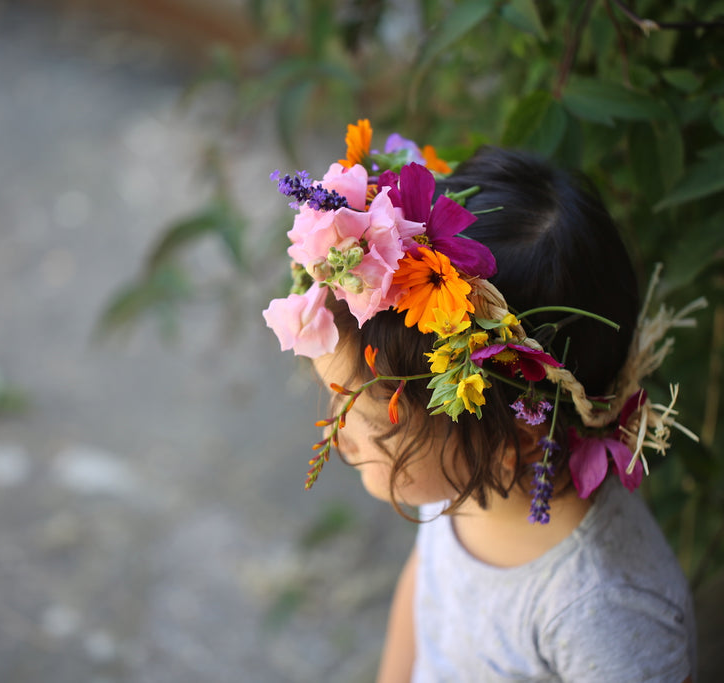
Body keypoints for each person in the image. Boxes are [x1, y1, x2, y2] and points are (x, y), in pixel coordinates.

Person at [263, 120, 701, 682]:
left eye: (370, 418)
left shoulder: (602, 609)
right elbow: (426, 590)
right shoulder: (460, 469)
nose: (333, 429)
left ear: (515, 440)